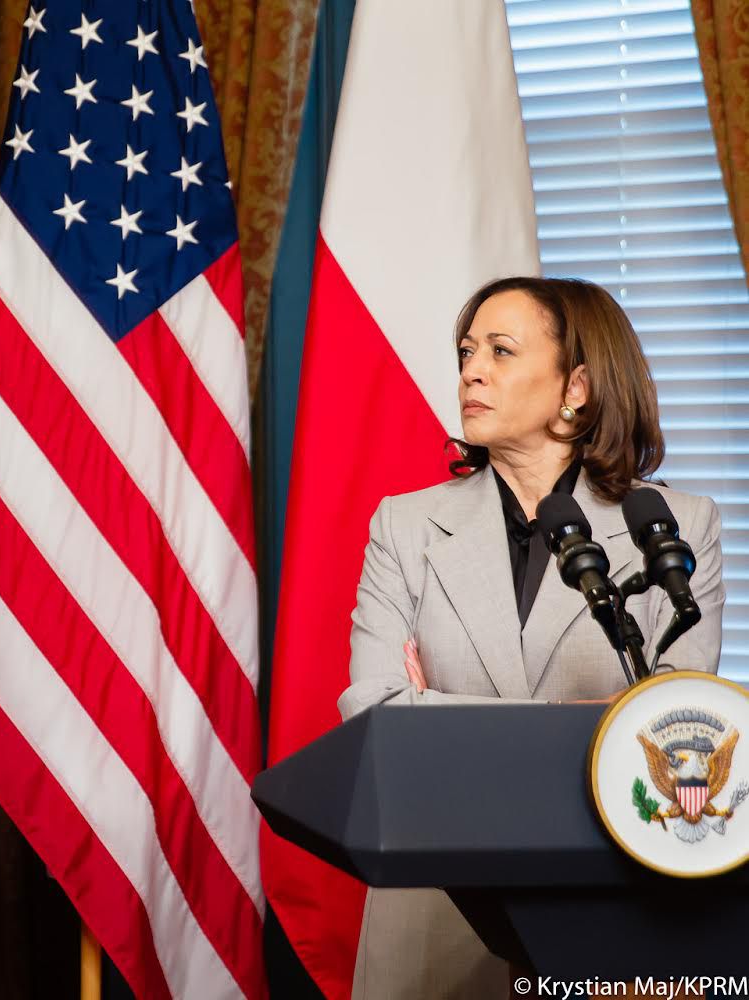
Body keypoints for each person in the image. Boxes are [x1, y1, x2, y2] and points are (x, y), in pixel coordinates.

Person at [337, 276, 725, 998]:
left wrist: (442, 709)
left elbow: (676, 734)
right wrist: (579, 724)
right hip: (437, 908)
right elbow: (376, 721)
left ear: (576, 387)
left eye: (501, 351)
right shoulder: (405, 525)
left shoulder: (677, 526)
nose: (470, 370)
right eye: (466, 351)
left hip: (611, 911)